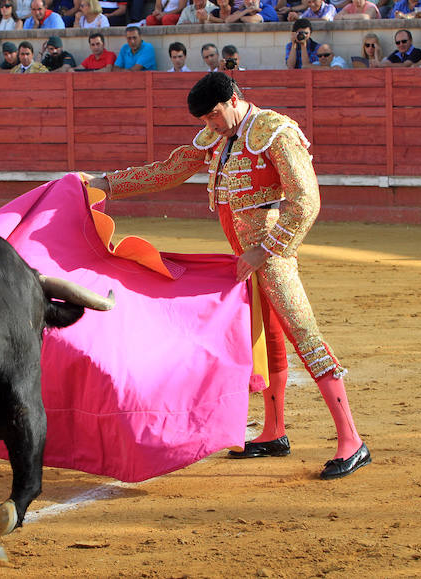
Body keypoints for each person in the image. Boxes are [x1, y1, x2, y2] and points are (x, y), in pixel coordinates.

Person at [83, 73, 371, 480]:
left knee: (302, 333)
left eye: (214, 116)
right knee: (269, 338)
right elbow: (169, 170)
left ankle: (351, 440)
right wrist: (104, 184)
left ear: (234, 100)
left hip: (272, 255)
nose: (210, 126)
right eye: (204, 120)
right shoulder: (216, 137)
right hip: (244, 255)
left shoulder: (275, 131)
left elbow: (306, 200)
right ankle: (273, 431)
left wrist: (265, 249)